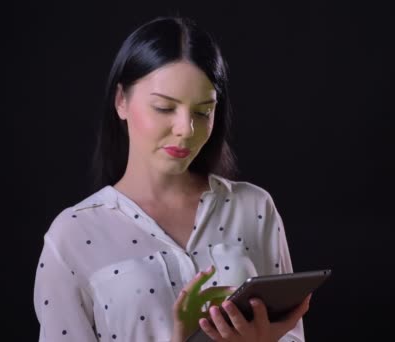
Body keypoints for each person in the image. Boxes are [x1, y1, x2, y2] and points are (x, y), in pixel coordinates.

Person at [33, 16, 311, 342]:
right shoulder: (73, 235)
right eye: (164, 108)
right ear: (121, 101)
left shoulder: (253, 207)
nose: (185, 129)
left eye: (202, 112)